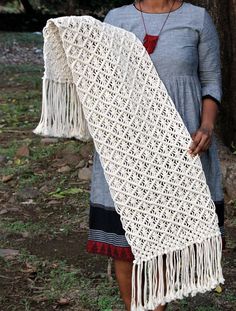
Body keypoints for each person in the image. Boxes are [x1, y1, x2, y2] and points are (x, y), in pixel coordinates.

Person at [86, 1, 225, 310]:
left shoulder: (197, 18)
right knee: (126, 242)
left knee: (166, 235)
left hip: (181, 145)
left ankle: (157, 306)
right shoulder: (116, 19)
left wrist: (207, 124)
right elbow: (98, 79)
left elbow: (212, 80)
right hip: (127, 144)